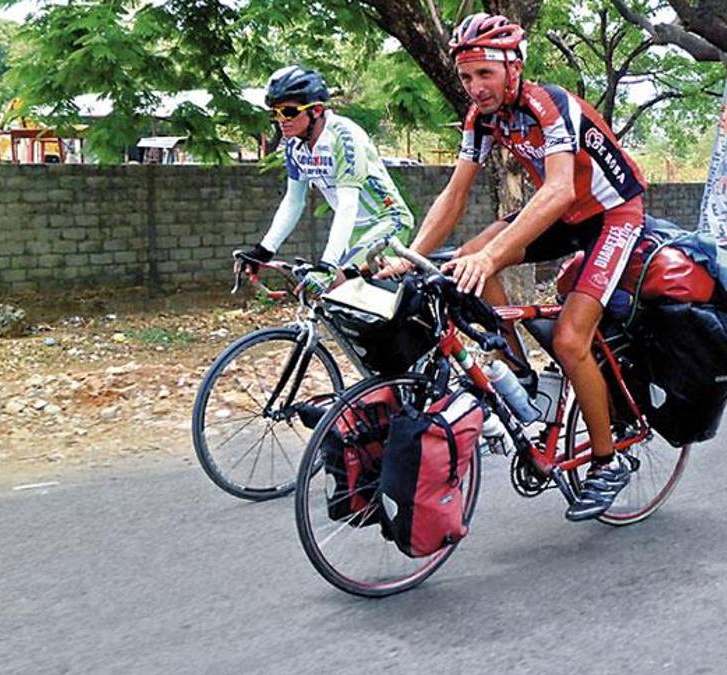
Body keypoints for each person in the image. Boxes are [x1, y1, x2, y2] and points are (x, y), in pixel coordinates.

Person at [380, 13, 648, 521]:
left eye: (485, 74)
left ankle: (608, 463)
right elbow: (454, 194)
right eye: (465, 77)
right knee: (463, 259)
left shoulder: (550, 106)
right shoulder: (481, 119)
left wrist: (492, 254)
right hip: (565, 214)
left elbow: (560, 188)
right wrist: (410, 256)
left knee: (570, 339)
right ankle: (519, 370)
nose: (475, 88)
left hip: (611, 213)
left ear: (514, 67)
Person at [242, 66, 414, 285]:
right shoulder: (294, 146)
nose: (280, 119)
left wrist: (328, 265)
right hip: (355, 232)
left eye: (288, 112)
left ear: (316, 110)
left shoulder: (343, 136)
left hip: (388, 221)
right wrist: (264, 251)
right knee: (348, 306)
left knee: (335, 284)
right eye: (275, 113)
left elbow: (347, 205)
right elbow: (293, 202)